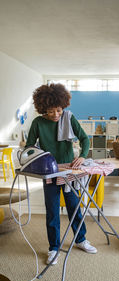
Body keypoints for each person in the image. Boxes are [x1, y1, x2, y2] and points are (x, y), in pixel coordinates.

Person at [26, 83, 97, 265]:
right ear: (43, 109)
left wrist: (81, 156)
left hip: (70, 170)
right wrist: (37, 158)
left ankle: (81, 240)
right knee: (52, 211)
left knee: (75, 208)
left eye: (58, 110)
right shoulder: (37, 123)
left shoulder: (69, 117)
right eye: (50, 111)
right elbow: (30, 148)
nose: (56, 115)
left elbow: (84, 139)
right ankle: (54, 248)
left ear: (63, 106)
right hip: (49, 171)